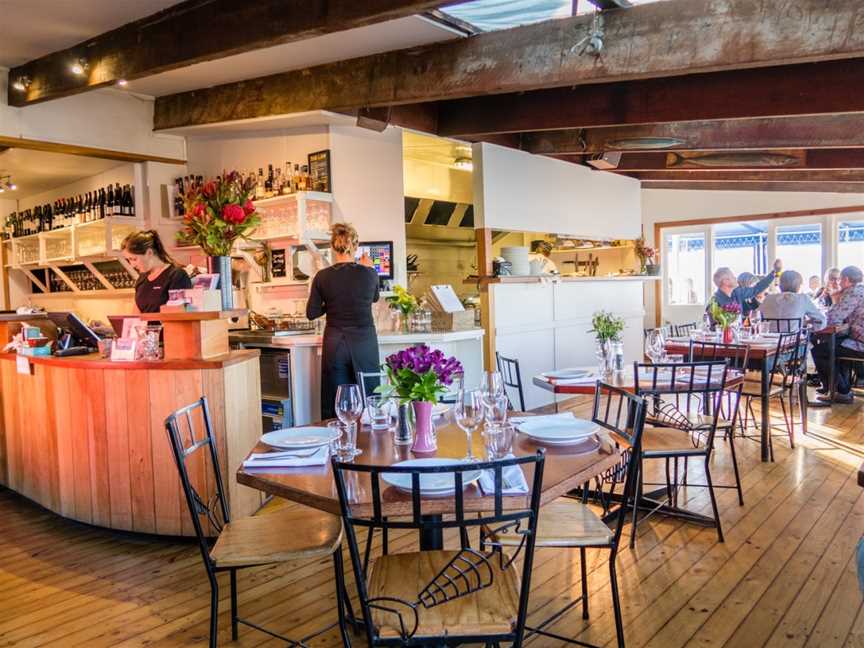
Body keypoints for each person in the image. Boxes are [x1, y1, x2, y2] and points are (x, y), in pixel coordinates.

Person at [306, 223, 379, 419]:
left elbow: (311, 313)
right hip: (364, 342)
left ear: (333, 246)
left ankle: (337, 446)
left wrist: (330, 304)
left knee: (336, 401)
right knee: (369, 399)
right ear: (355, 245)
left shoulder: (322, 277)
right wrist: (369, 269)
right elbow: (374, 298)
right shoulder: (369, 273)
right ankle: (370, 446)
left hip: (335, 342)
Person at [811, 265, 864, 404]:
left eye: (839, 280)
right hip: (857, 339)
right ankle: (841, 388)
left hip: (861, 343)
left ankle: (840, 391)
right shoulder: (861, 290)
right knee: (837, 344)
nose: (838, 283)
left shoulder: (853, 292)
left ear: (846, 279)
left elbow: (833, 317)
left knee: (820, 350)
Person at [121, 230, 192, 313]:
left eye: (134, 259)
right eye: (128, 260)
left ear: (149, 253)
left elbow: (178, 311)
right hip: (143, 326)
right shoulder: (141, 279)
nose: (132, 265)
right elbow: (135, 315)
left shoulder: (176, 275)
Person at [757, 270, 826, 330]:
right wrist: (806, 327)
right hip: (794, 343)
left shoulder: (768, 298)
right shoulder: (802, 298)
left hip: (769, 342)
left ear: (780, 285)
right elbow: (822, 321)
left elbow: (757, 318)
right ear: (798, 286)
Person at [707, 266, 776, 320]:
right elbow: (713, 326)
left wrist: (773, 273)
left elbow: (755, 290)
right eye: (732, 276)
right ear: (725, 281)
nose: (735, 278)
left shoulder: (738, 293)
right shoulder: (715, 302)